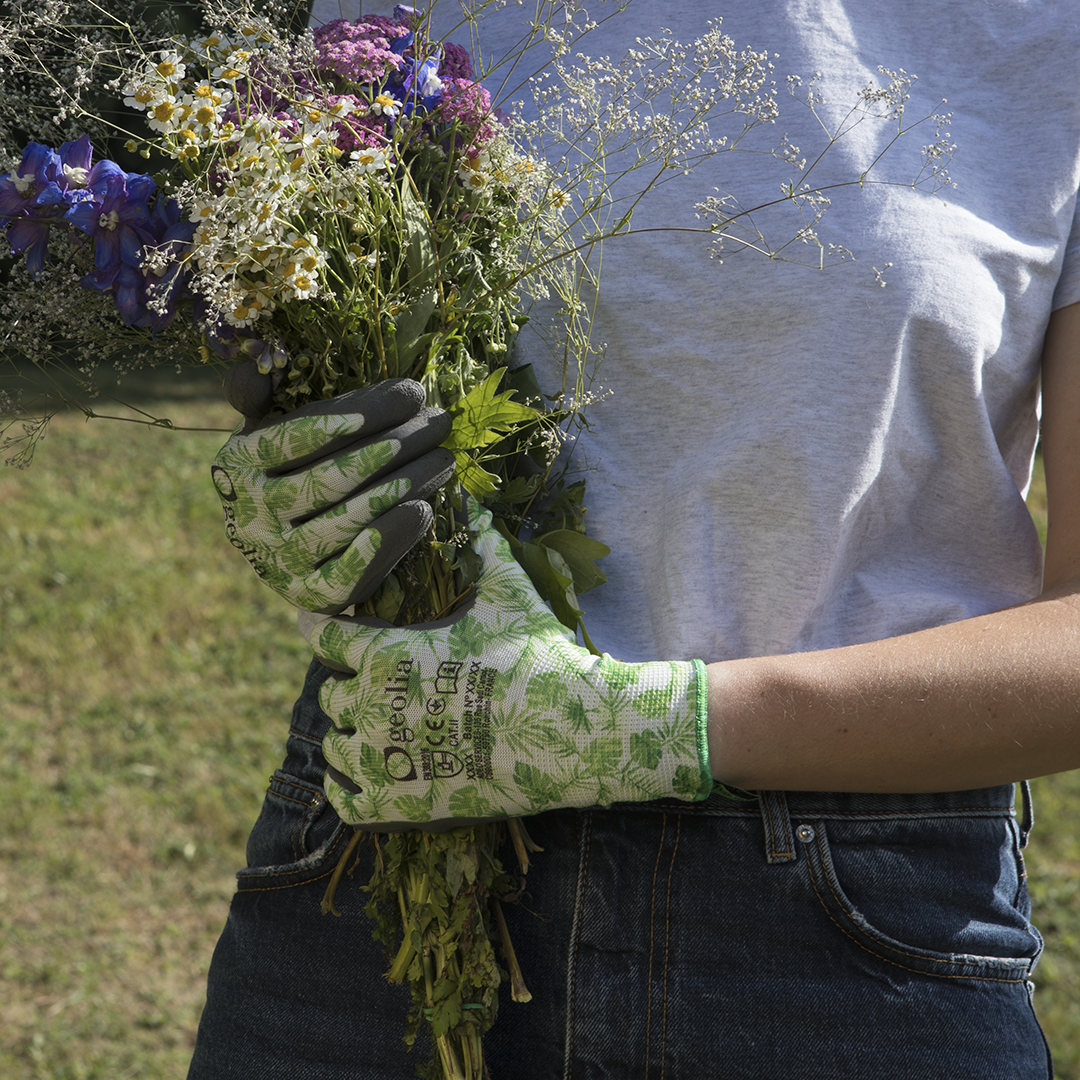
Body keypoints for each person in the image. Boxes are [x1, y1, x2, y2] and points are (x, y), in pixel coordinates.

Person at [188, 1, 1080, 1077]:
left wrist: (650, 727)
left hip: (851, 941)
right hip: (386, 849)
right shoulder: (398, 19)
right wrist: (302, 470)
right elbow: (335, 349)